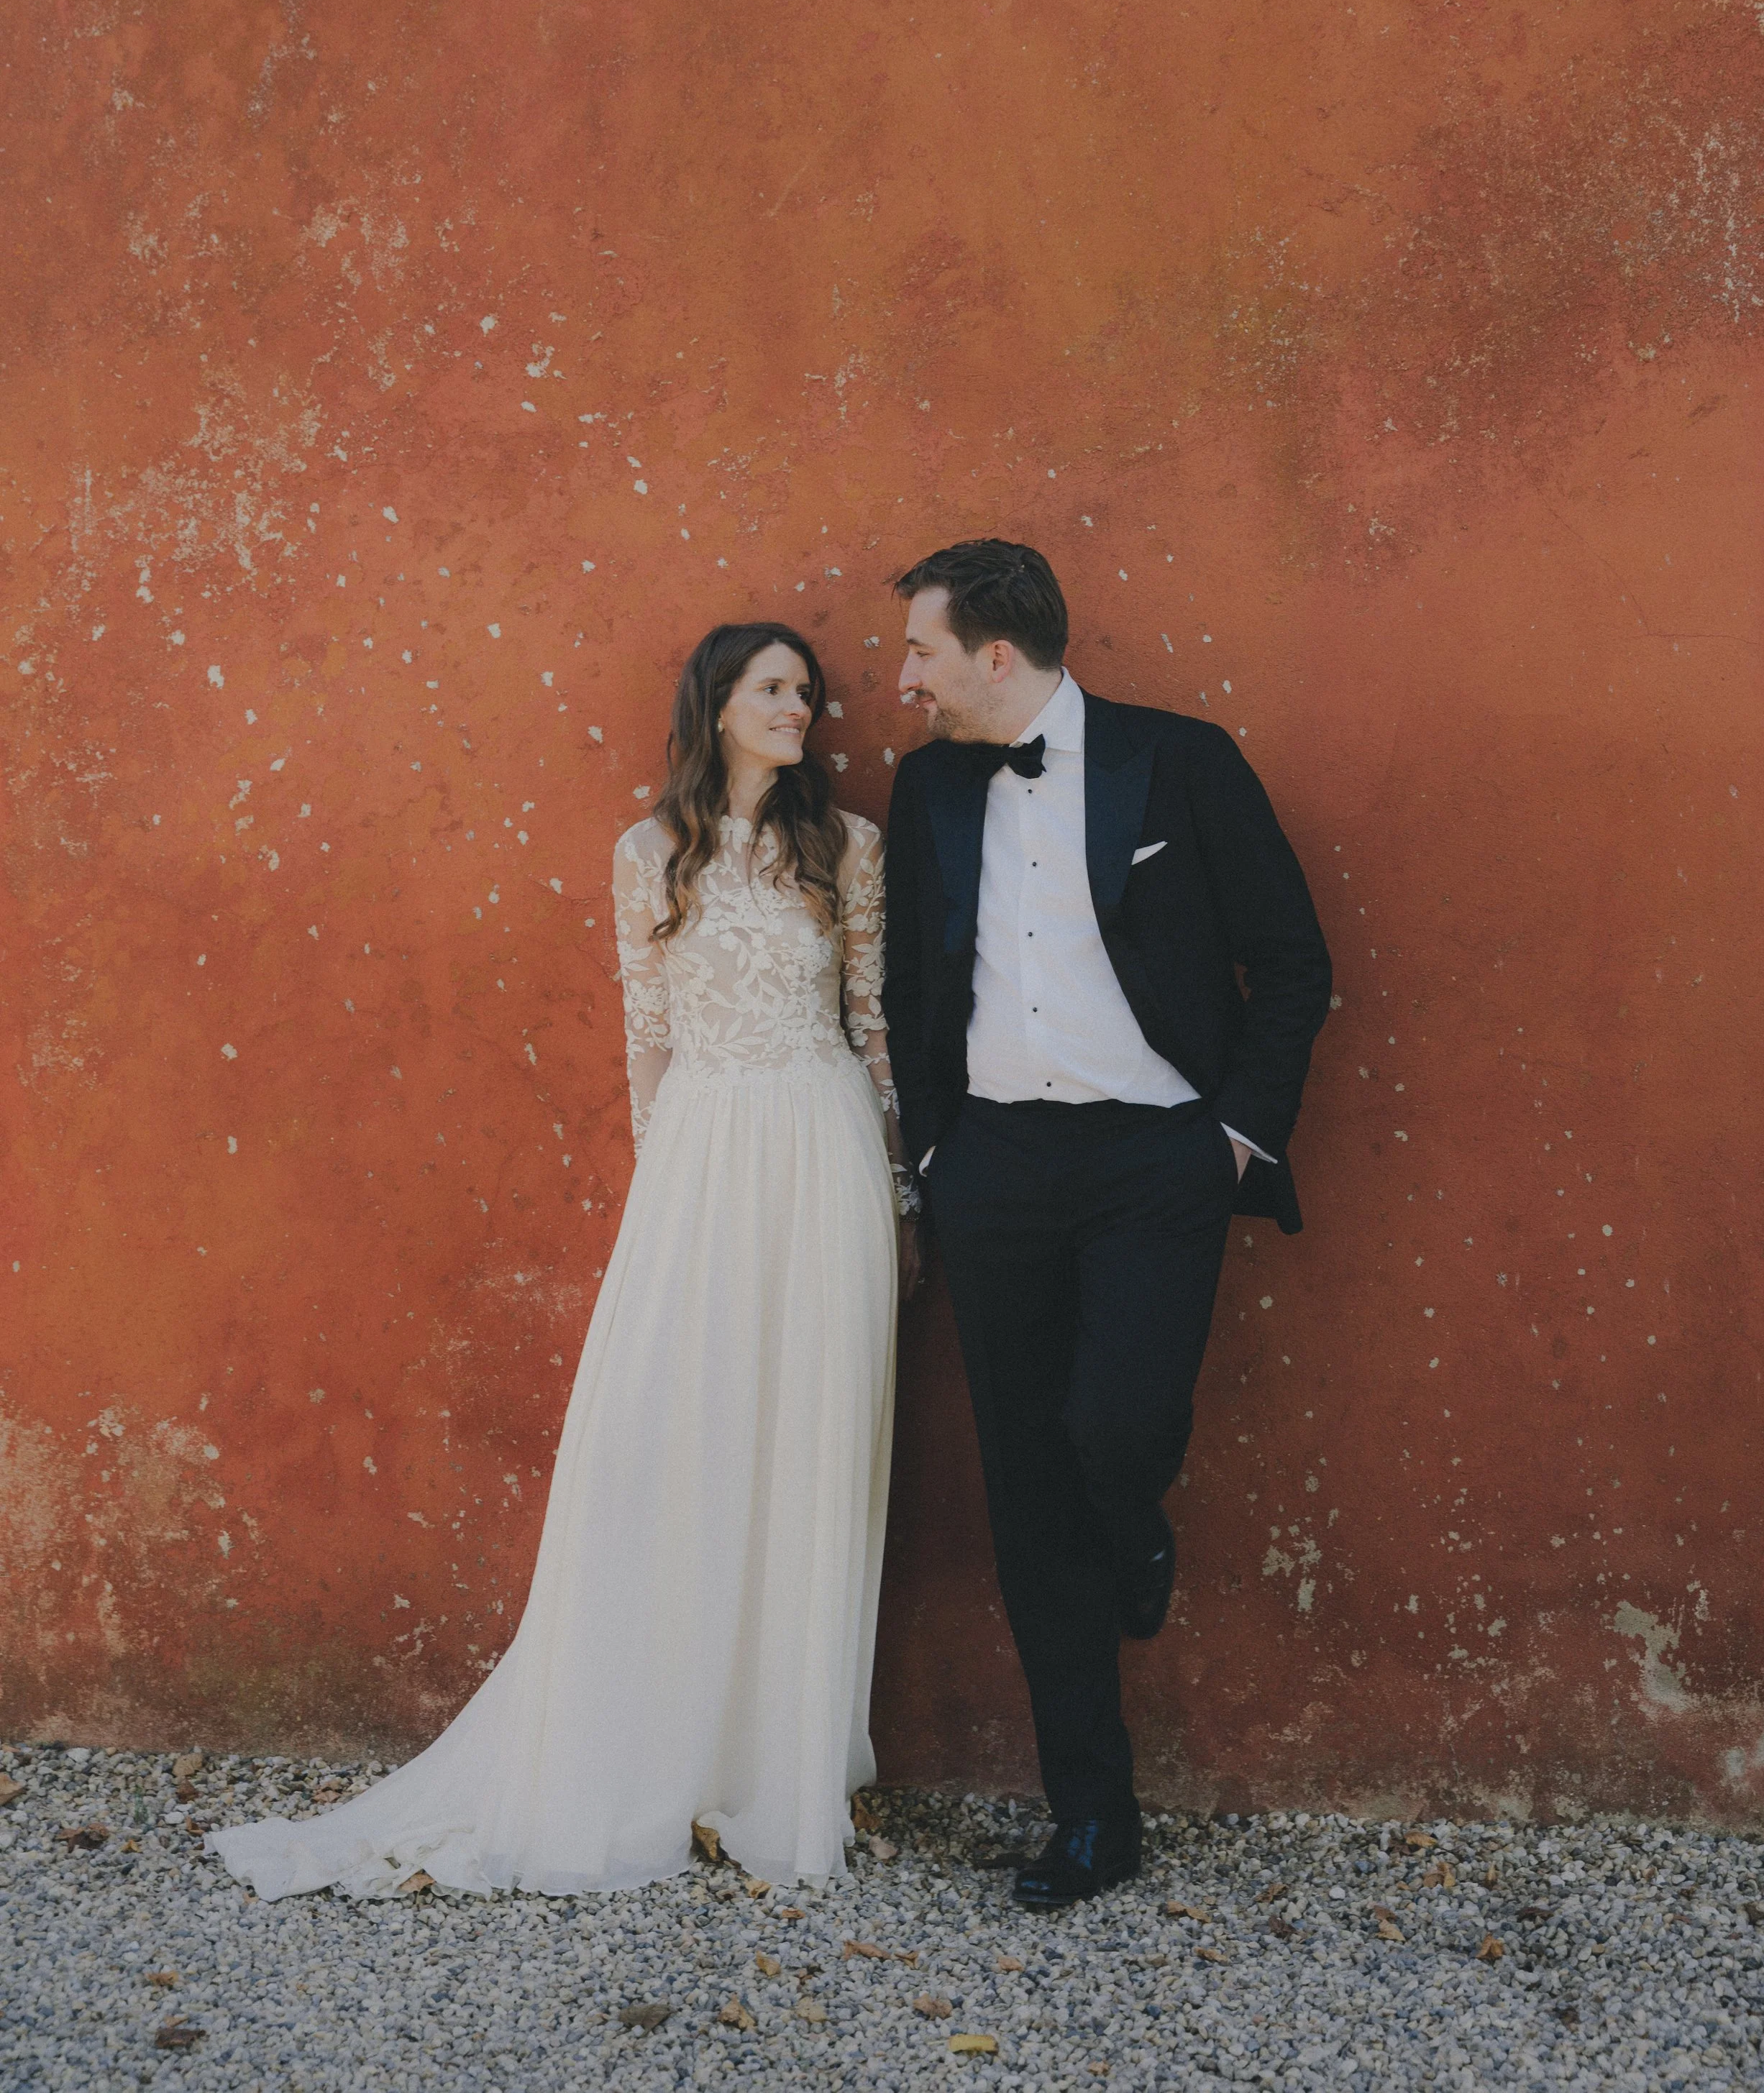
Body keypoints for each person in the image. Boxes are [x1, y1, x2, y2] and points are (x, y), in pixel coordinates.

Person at [210, 623, 917, 1900]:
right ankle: (651, 1738)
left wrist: (901, 1192)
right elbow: (646, 1036)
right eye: (772, 687)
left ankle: (782, 1763)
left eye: (807, 691)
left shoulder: (849, 847)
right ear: (714, 704)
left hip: (825, 1151)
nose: (797, 706)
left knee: (814, 1435)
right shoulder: (646, 855)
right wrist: (660, 1192)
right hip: (703, 1157)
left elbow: (870, 1026)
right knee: (673, 1440)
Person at [882, 541, 1331, 1907]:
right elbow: (912, 973)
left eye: (921, 653)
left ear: (995, 657)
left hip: (1156, 1159)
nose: (904, 681)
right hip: (998, 1166)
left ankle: (1133, 1511)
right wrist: (938, 1149)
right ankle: (1093, 1813)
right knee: (1026, 1496)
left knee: (1113, 1427)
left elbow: (1294, 961)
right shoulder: (928, 786)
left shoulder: (1180, 762)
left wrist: (1234, 1138)